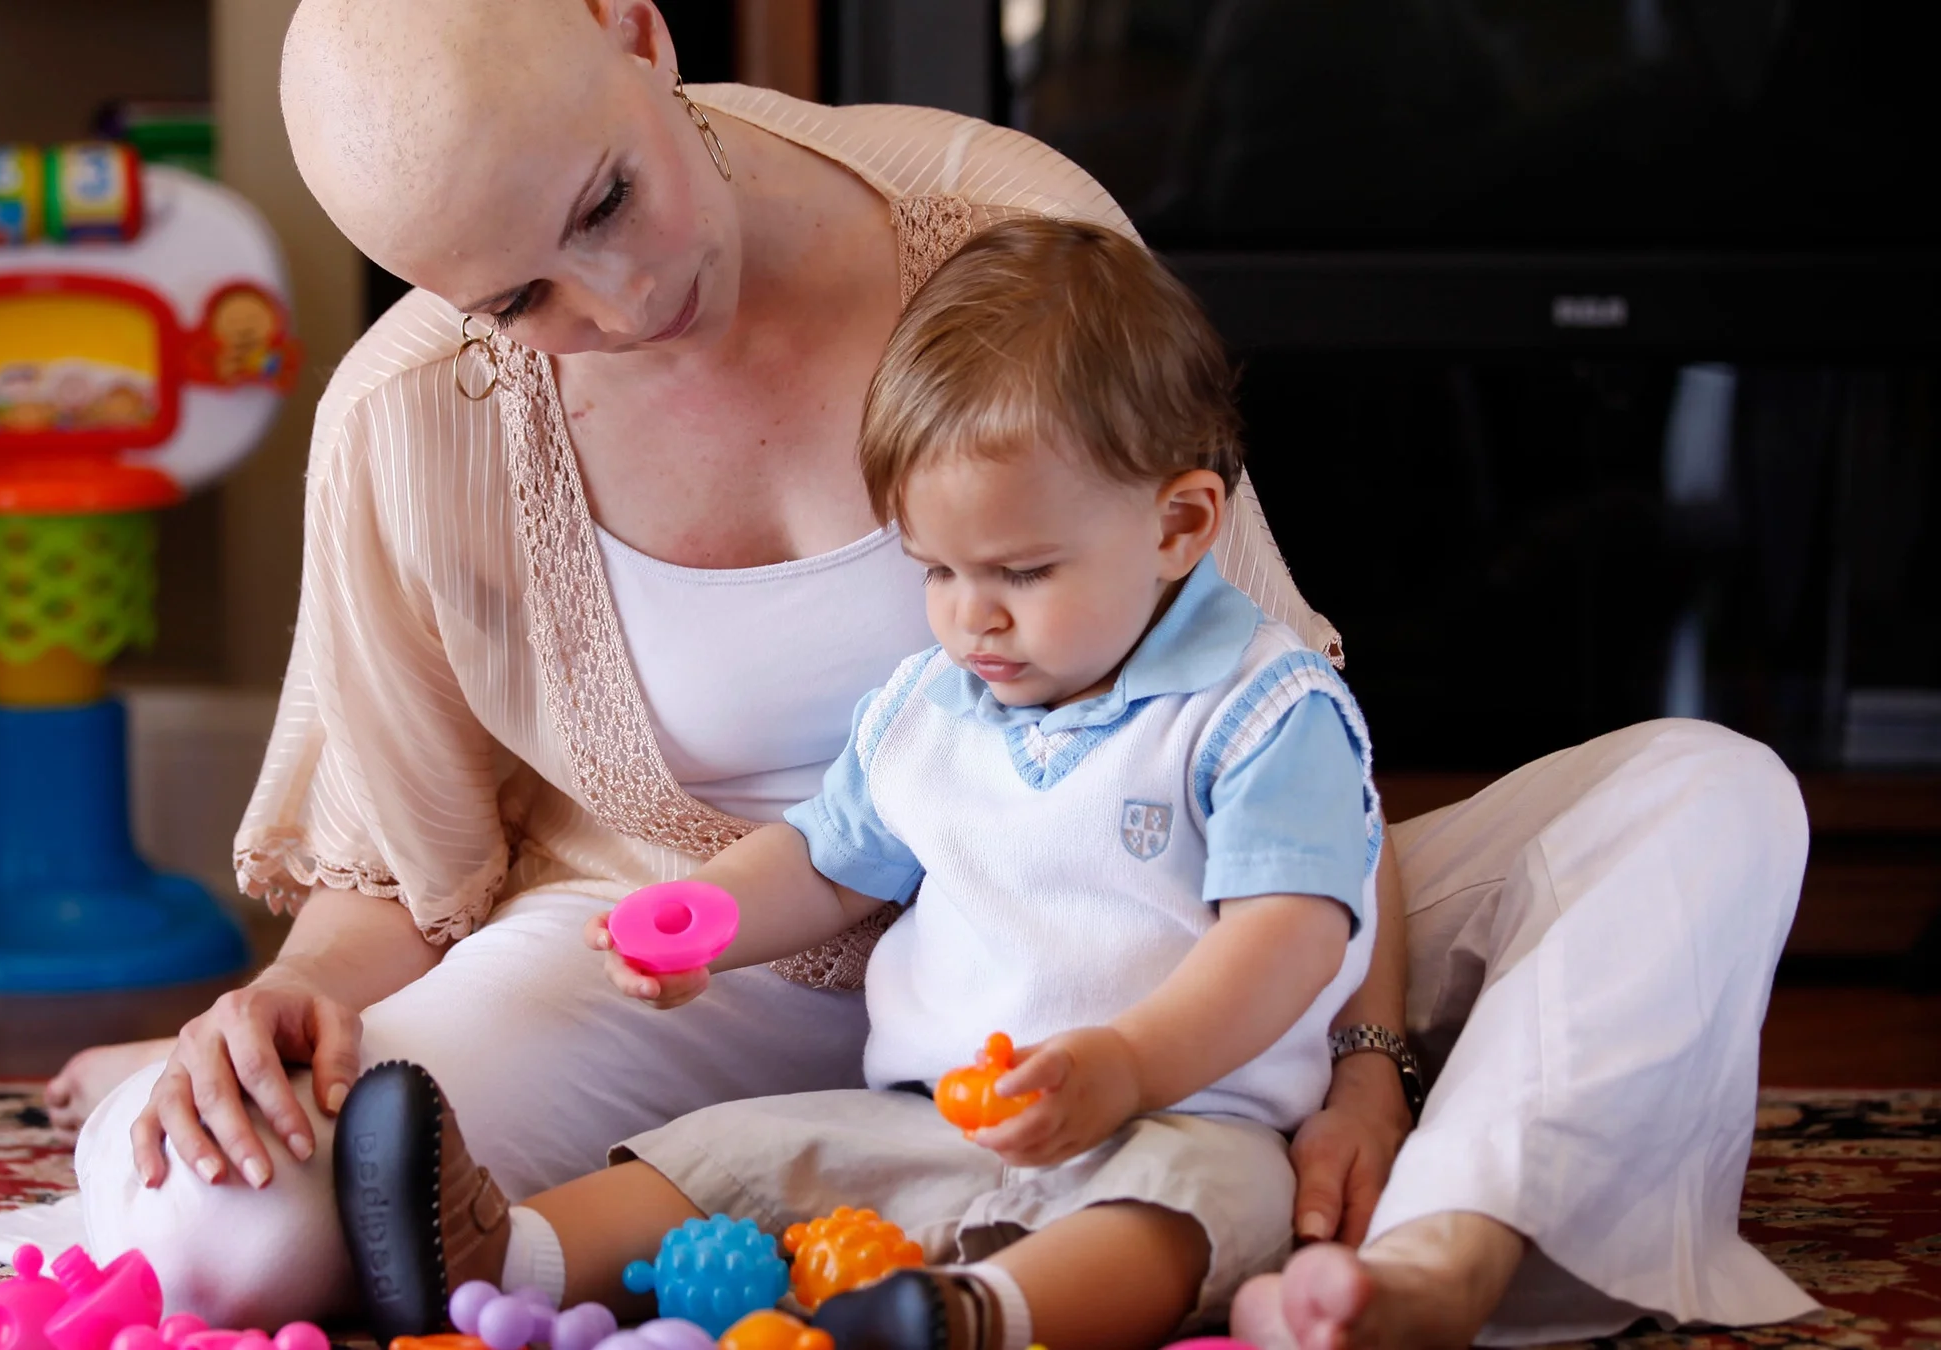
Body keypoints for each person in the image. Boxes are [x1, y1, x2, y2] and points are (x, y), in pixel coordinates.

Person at [0, 0, 1814, 1343]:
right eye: (514, 300)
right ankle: (628, 1234)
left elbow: (1288, 729)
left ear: (633, 26)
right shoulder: (408, 417)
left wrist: (1364, 1067)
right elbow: (381, 877)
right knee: (207, 1235)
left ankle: (1427, 1262)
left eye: (602, 208)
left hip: (1183, 946)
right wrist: (287, 1013)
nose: (619, 306)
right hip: (705, 984)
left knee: (1709, 797)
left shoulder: (1005, 232)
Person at [332, 214, 1385, 1350]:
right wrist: (708, 920)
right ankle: (505, 1258)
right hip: (926, 1116)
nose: (970, 615)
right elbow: (829, 862)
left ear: (1179, 525)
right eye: (934, 569)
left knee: (1198, 1213)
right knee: (734, 1152)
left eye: (1022, 573)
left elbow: (1289, 933)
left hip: (1184, 1114)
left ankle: (978, 1321)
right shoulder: (933, 705)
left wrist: (1128, 1066)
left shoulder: (1259, 709)